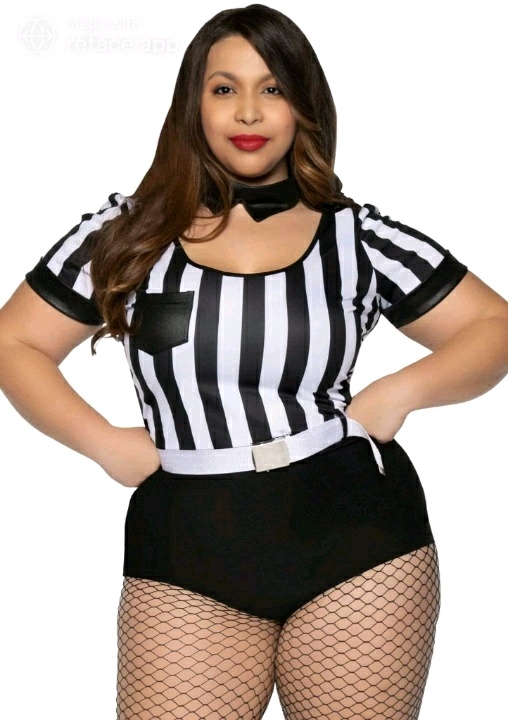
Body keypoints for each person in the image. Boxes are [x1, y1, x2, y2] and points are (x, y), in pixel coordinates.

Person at [1, 3, 507, 718]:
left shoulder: (357, 237)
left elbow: (493, 326)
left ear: (303, 105)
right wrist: (104, 443)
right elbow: (14, 342)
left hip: (355, 541)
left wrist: (400, 391)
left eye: (273, 88)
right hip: (187, 545)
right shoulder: (129, 232)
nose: (248, 110)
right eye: (224, 88)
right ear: (194, 104)